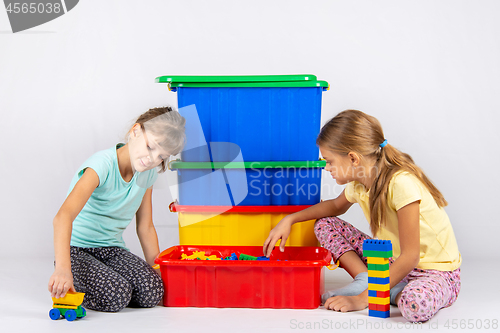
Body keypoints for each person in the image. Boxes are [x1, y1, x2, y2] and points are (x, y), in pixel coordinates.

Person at [263, 110, 461, 322]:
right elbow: (333, 207)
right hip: (392, 262)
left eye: (329, 161)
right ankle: (367, 279)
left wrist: (362, 300)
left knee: (415, 305)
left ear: (353, 158)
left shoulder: (402, 184)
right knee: (325, 224)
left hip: (431, 272)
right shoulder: (359, 183)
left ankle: (387, 290)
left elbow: (410, 256)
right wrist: (289, 219)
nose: (326, 168)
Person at [48, 106, 186, 312]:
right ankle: (80, 280)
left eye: (161, 157)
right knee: (117, 295)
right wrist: (62, 269)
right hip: (77, 250)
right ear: (135, 131)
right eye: (150, 147)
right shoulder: (101, 166)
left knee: (153, 292)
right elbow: (62, 217)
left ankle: (111, 282)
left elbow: (145, 226)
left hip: (111, 249)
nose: (152, 159)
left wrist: (158, 270)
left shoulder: (148, 174)